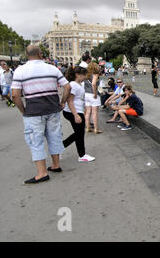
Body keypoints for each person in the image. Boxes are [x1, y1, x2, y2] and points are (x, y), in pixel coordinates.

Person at [11, 45, 71, 184]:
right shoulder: (52, 68)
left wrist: (23, 111)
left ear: (27, 55)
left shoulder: (20, 71)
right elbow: (67, 86)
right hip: (53, 109)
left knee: (35, 141)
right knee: (54, 136)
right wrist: (62, 102)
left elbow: (15, 95)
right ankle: (56, 165)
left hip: (34, 111)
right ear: (39, 54)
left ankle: (42, 173)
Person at [62, 66, 95, 163]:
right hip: (73, 112)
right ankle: (82, 155)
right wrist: (76, 115)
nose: (85, 77)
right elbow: (70, 100)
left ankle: (59, 148)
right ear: (77, 75)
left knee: (79, 134)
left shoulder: (78, 84)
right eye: (84, 75)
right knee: (79, 134)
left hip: (76, 111)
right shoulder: (73, 84)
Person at [84, 62, 103, 133]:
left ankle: (88, 127)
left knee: (88, 112)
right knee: (94, 113)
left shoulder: (86, 75)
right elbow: (94, 84)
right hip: (92, 94)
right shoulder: (95, 74)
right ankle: (96, 129)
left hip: (86, 94)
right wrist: (95, 93)